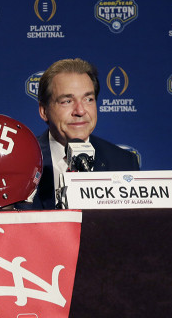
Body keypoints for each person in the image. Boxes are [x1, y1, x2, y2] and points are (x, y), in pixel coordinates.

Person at [33, 57, 139, 209]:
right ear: (44, 111)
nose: (80, 111)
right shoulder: (22, 161)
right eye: (67, 101)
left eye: (88, 99)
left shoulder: (124, 163)